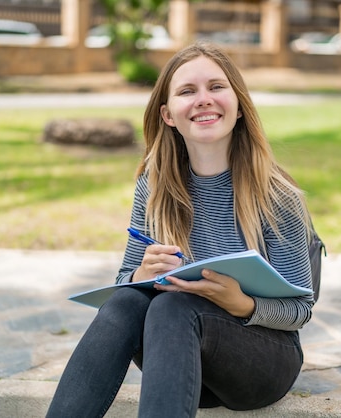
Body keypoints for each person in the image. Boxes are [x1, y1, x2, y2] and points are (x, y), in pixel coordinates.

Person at [46, 41, 315, 418]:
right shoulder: (153, 186)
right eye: (187, 91)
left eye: (216, 87)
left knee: (176, 305)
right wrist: (141, 273)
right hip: (177, 360)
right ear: (169, 114)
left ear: (238, 106)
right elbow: (125, 278)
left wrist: (241, 303)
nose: (203, 99)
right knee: (126, 300)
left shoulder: (276, 193)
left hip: (261, 364)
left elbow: (300, 309)